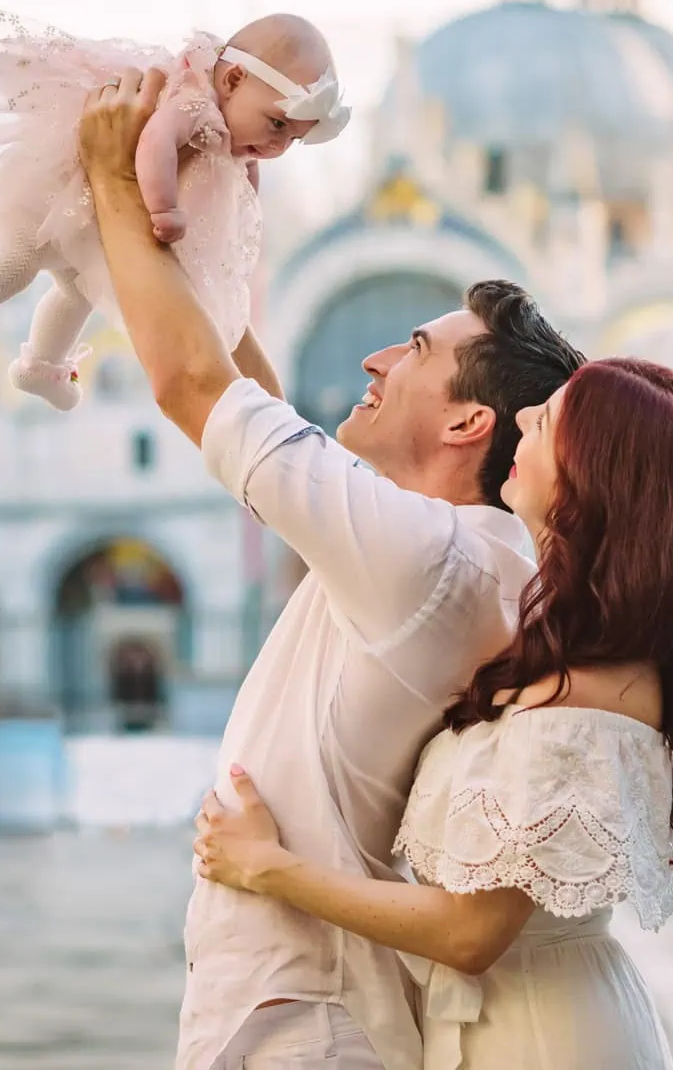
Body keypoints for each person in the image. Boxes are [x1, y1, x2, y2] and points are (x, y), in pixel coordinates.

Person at [78, 66, 586, 1070]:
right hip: (300, 998)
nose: (374, 360)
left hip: (301, 1015)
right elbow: (257, 406)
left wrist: (106, 183)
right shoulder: (455, 548)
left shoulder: (424, 556)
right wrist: (207, 239)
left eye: (411, 347)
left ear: (466, 421)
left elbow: (192, 385)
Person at [195, 355, 673, 1069]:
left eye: (547, 421)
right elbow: (296, 469)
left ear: (597, 478)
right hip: (508, 1023)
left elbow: (472, 934)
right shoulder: (562, 640)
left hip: (543, 1037)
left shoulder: (589, 684)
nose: (523, 419)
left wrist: (268, 868)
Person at [0, 13, 348, 410]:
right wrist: (164, 208)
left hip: (92, 221)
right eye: (276, 124)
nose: (278, 146)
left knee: (80, 291)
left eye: (292, 138)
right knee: (15, 263)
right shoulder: (193, 103)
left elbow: (243, 188)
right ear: (231, 81)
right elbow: (155, 145)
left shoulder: (237, 142)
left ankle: (41, 365)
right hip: (46, 196)